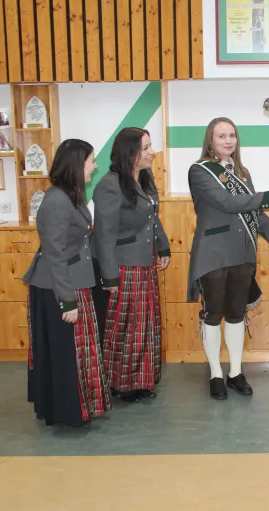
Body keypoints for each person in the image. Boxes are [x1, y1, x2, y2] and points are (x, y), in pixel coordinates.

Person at [187, 117, 269, 400]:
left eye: (232, 135)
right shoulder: (200, 171)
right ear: (210, 140)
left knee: (235, 314)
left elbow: (255, 214)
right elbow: (227, 202)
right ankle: (215, 374)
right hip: (213, 253)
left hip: (242, 253)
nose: (228, 141)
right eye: (221, 136)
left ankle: (234, 372)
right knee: (212, 314)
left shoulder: (242, 173)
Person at [23, 139, 111, 427]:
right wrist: (67, 300)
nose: (94, 166)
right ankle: (64, 411)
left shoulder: (71, 195)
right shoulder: (57, 201)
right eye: (91, 161)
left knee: (75, 353)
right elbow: (54, 253)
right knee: (64, 354)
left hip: (73, 282)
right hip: (57, 288)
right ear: (76, 164)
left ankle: (76, 408)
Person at [93, 127, 170, 402]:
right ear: (130, 153)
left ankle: (141, 380)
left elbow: (152, 216)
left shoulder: (144, 178)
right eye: (147, 147)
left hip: (144, 264)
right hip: (123, 267)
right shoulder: (109, 185)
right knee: (123, 327)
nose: (152, 152)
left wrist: (162, 245)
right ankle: (119, 383)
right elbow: (103, 234)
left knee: (144, 326)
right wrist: (109, 277)